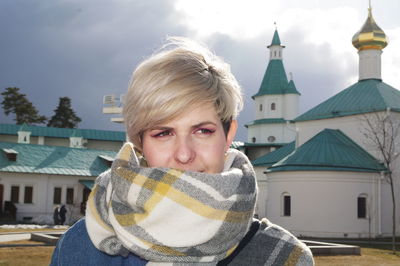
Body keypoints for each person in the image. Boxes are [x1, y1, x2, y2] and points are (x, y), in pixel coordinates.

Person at [51, 37, 314, 265]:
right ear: (140, 143)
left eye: (202, 131)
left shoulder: (283, 257)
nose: (184, 154)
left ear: (228, 135)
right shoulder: (80, 248)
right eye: (163, 133)